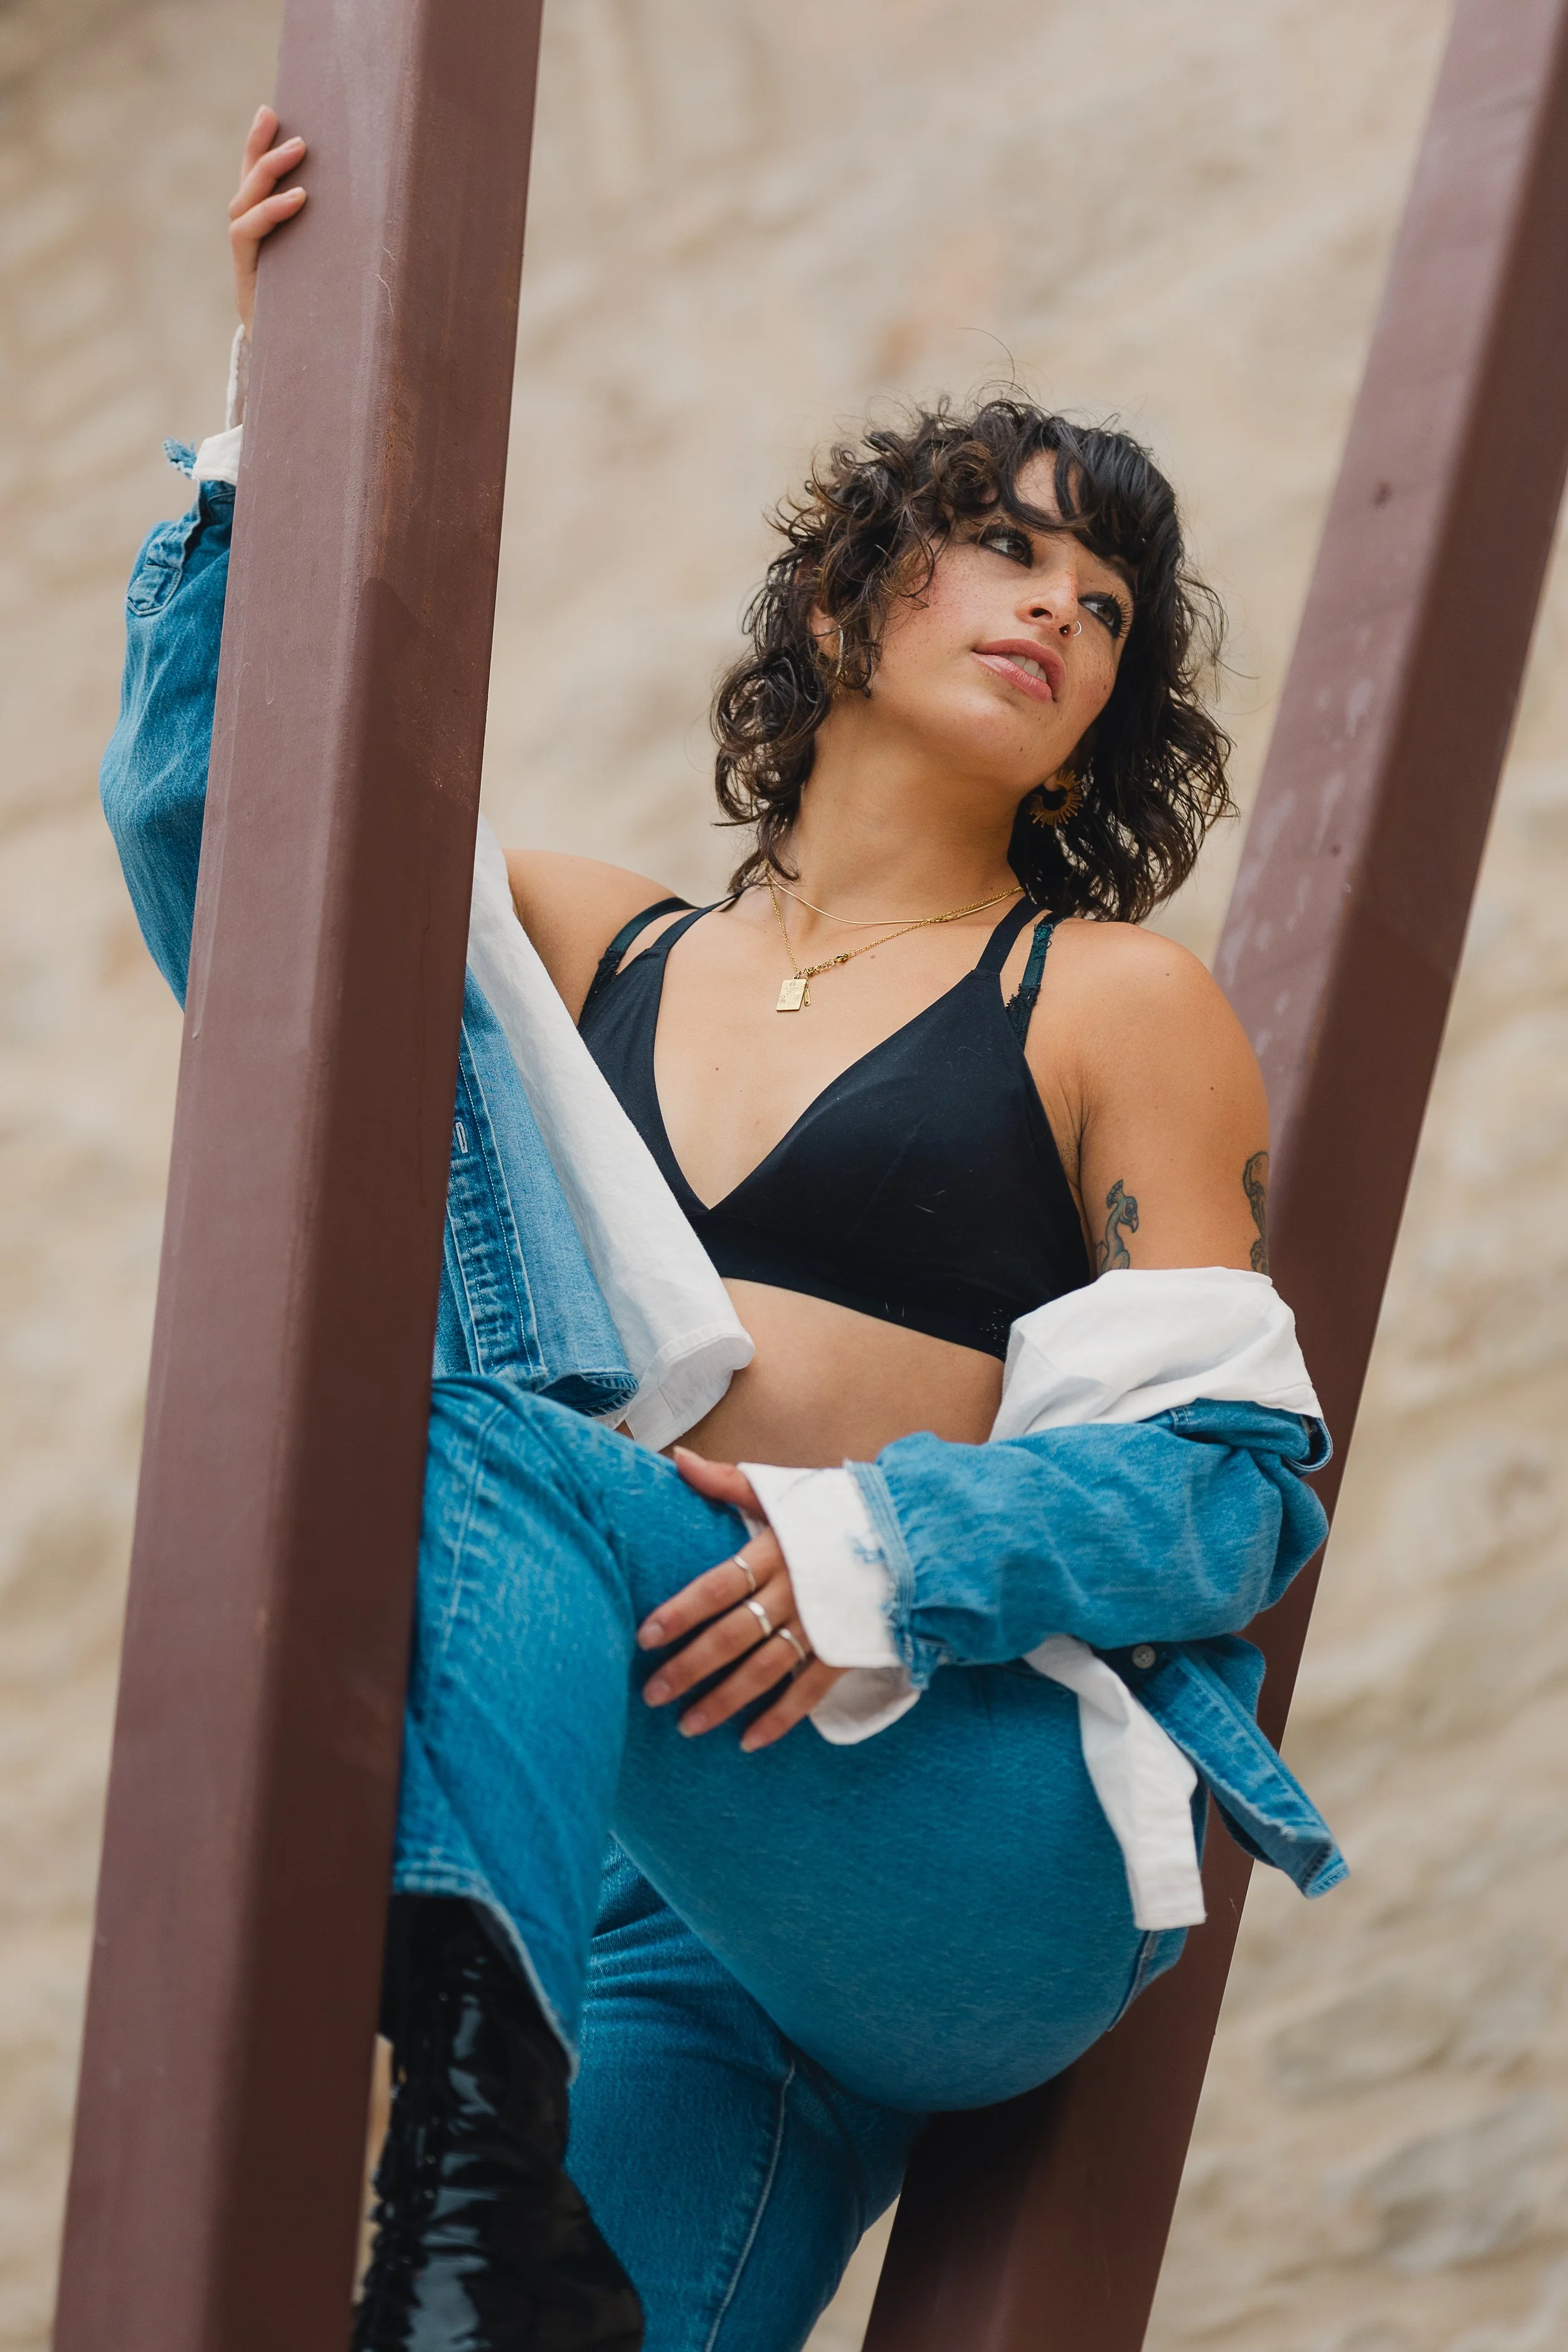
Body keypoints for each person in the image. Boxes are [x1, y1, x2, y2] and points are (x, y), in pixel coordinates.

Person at [103, 107, 1343, 2352]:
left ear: (1094, 726)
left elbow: (1230, 1492)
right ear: (841, 606)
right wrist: (271, 416)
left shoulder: (1104, 1001)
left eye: (1103, 607)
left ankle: (456, 2150)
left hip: (955, 1827)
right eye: (1003, 549)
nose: (1058, 609)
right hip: (648, 1881)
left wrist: (872, 1545)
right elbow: (235, 855)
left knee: (450, 1441)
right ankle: (481, 2186)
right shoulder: (592, 945)